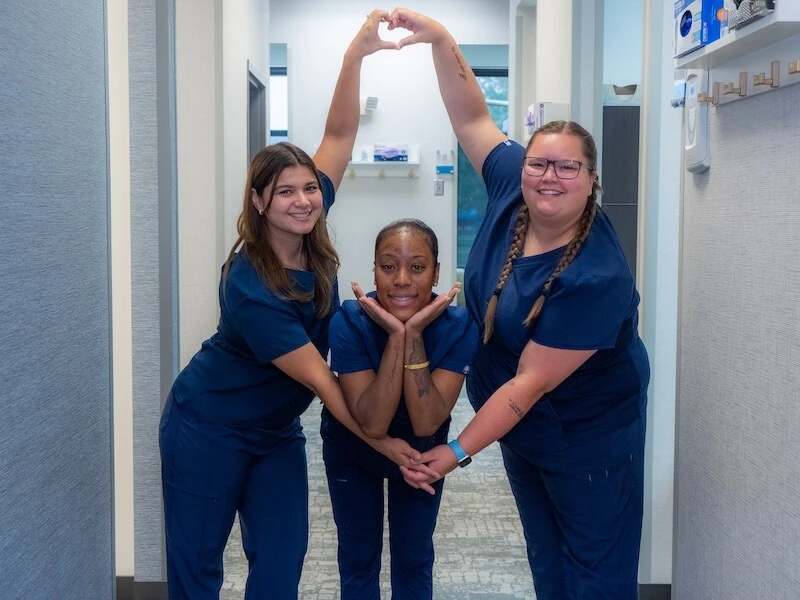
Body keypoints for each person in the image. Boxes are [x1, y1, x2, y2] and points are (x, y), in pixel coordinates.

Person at [388, 9, 651, 600]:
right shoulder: (513, 183)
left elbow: (527, 386)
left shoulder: (594, 277)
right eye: (539, 163)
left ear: (592, 179)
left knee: (594, 570)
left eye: (568, 167)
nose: (549, 176)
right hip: (522, 428)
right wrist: (441, 39)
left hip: (588, 433)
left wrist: (454, 452)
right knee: (546, 557)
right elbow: (471, 116)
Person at [158, 12, 420, 600]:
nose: (303, 200)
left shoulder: (312, 239)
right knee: (197, 571)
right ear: (259, 201)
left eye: (308, 189)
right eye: (285, 192)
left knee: (281, 566)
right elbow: (324, 381)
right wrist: (384, 444)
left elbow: (339, 136)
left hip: (275, 432)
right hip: (209, 427)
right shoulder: (250, 283)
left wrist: (356, 54)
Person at [321, 219, 478, 600]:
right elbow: (373, 423)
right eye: (388, 266)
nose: (402, 280)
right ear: (374, 270)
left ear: (436, 273)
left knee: (414, 558)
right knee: (358, 558)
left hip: (422, 456)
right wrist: (396, 336)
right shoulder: (349, 321)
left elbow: (426, 422)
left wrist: (415, 335)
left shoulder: (458, 326)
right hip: (354, 449)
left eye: (417, 267)